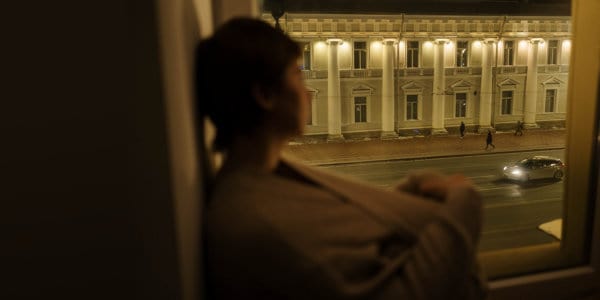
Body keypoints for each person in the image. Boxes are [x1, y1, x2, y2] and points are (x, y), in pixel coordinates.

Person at [197, 18, 486, 300]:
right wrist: (464, 202)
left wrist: (407, 194)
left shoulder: (266, 177)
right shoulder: (255, 221)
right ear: (265, 95)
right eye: (297, 74)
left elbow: (342, 243)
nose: (309, 92)